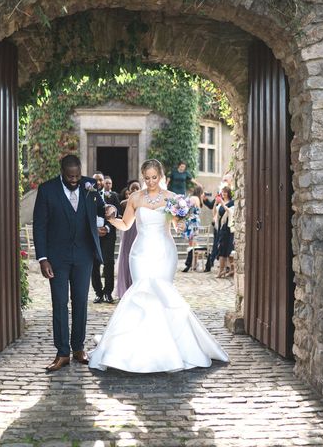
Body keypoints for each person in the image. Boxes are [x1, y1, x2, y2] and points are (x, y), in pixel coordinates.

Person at [89, 159, 229, 373]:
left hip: (164, 252)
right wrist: (111, 220)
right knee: (141, 293)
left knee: (163, 295)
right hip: (140, 254)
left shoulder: (172, 198)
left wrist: (182, 224)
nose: (151, 182)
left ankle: (169, 349)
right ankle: (137, 348)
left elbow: (177, 225)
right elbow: (126, 225)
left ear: (161, 176)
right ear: (143, 177)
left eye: (155, 177)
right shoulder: (135, 198)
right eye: (147, 178)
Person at [32, 154, 110, 372]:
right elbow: (39, 225)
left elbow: (102, 210)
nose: (74, 180)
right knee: (59, 303)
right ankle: (62, 352)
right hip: (56, 258)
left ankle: (78, 348)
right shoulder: (47, 190)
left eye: (77, 176)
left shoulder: (91, 185)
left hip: (84, 256)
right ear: (62, 172)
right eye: (70, 177)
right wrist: (43, 258)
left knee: (80, 303)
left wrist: (105, 225)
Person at [91, 172, 121, 304]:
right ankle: (98, 293)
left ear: (104, 182)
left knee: (109, 263)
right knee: (94, 264)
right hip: (93, 235)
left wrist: (107, 228)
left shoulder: (113, 196)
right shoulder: (87, 195)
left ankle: (108, 293)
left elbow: (117, 214)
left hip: (108, 235)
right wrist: (94, 230)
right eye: (96, 180)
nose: (98, 182)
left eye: (100, 180)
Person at [114, 179, 141, 299]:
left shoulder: (144, 201)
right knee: (126, 255)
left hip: (139, 230)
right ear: (128, 191)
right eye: (132, 189)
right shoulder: (127, 202)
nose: (135, 191)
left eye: (137, 188)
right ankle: (125, 287)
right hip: (128, 230)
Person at [181, 185, 203, 273]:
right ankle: (193, 263)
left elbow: (186, 210)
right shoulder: (197, 199)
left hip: (190, 221)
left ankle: (191, 263)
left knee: (191, 243)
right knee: (194, 243)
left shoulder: (191, 198)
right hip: (195, 222)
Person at [215, 186, 235, 278]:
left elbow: (230, 212)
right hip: (222, 229)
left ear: (229, 193)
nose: (224, 194)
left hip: (228, 229)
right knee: (221, 249)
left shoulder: (232, 203)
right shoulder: (220, 204)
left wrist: (222, 203)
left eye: (225, 192)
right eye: (222, 192)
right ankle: (222, 270)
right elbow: (218, 215)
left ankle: (231, 269)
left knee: (229, 249)